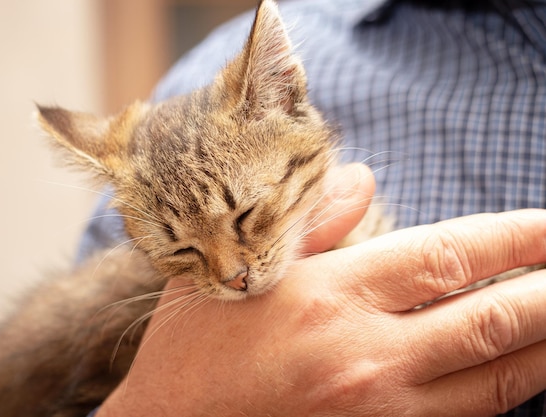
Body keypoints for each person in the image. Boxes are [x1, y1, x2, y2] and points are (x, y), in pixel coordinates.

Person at [79, 0, 546, 415]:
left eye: (245, 217)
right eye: (183, 252)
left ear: (282, 97)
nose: (230, 273)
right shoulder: (184, 81)